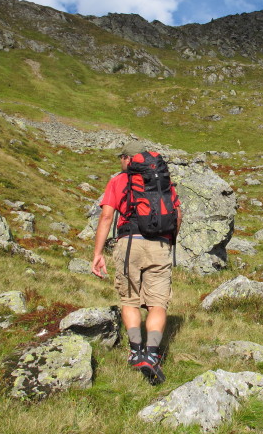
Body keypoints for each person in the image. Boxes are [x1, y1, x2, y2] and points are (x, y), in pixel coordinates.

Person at [91, 140, 182, 385]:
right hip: (160, 245)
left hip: (129, 242)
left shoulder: (119, 180)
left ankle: (135, 351)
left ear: (127, 159)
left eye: (121, 157)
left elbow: (107, 216)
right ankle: (152, 354)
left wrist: (98, 252)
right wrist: (169, 243)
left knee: (129, 300)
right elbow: (177, 214)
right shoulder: (164, 182)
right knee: (157, 304)